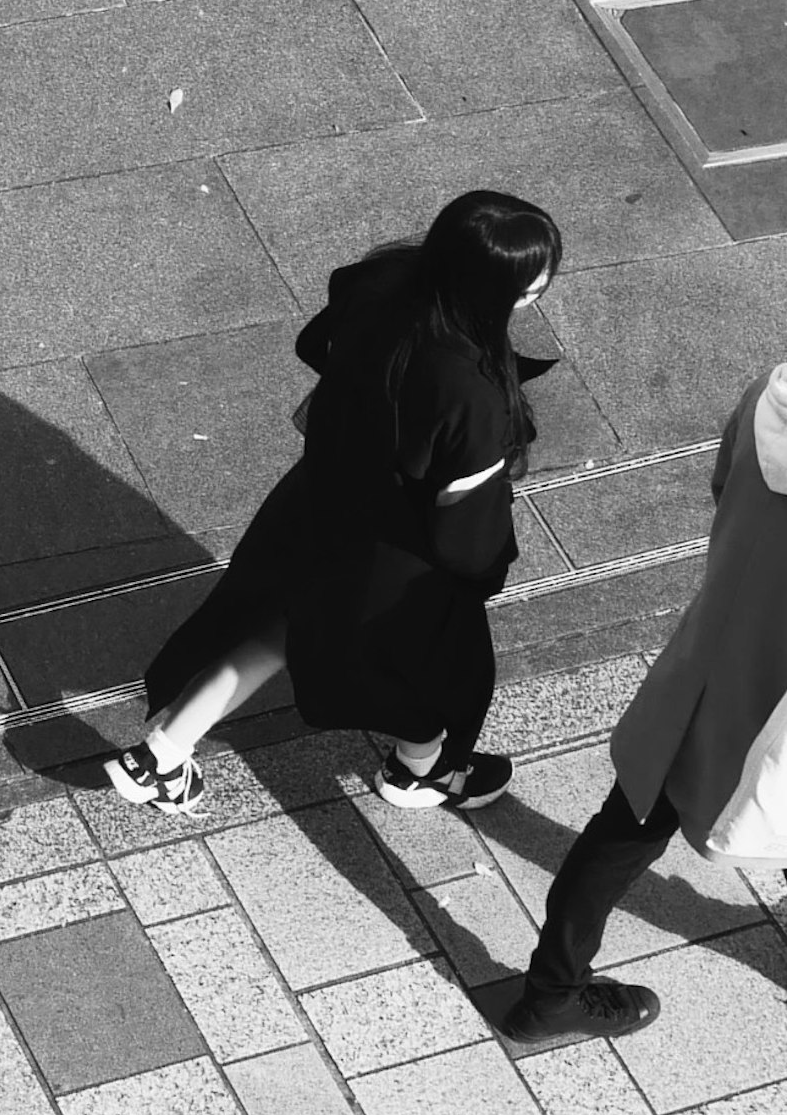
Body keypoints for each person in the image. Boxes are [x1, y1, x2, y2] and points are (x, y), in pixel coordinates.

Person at [497, 272, 787, 1041]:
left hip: (697, 678)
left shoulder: (768, 401)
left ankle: (550, 995)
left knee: (620, 835)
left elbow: (724, 490)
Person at [107, 191, 562, 818]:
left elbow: (316, 345)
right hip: (397, 551)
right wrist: (482, 576)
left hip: (322, 495)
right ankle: (422, 772)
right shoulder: (473, 396)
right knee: (427, 669)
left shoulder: (384, 279)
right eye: (526, 291)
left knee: (281, 621)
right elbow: (467, 534)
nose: (533, 295)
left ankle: (160, 756)